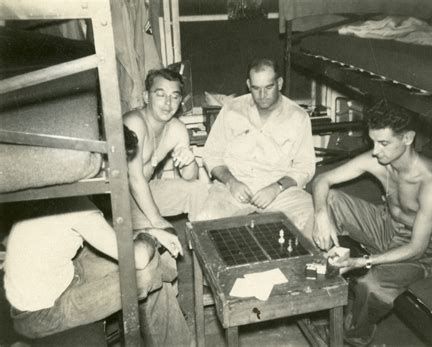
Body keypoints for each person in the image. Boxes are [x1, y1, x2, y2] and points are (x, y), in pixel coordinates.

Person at [311, 100, 432, 345]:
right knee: (331, 199)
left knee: (372, 285)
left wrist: (361, 261)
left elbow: (416, 248)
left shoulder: (431, 180)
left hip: (426, 248)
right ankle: (327, 277)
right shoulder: (379, 161)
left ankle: (353, 335)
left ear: (408, 138)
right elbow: (322, 181)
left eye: (383, 143)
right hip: (388, 226)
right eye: (373, 142)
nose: (374, 151)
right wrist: (321, 215)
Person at [3, 197, 192, 346]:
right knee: (146, 271)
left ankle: (174, 340)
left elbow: (108, 235)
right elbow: (139, 258)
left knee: (151, 258)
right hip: (41, 315)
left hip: (64, 275)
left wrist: (151, 232)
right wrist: (151, 237)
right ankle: (175, 341)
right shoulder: (79, 208)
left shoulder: (62, 194)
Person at [198, 58, 316, 238]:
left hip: (279, 192)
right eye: (255, 88)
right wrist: (231, 182)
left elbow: (305, 167)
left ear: (280, 83)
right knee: (202, 222)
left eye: (268, 87)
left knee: (314, 220)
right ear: (248, 85)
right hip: (232, 189)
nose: (262, 95)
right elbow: (212, 155)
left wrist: (276, 187)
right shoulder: (231, 109)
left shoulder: (298, 117)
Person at [123, 68, 209, 257]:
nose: (168, 103)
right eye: (160, 95)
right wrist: (157, 220)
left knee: (199, 190)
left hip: (147, 190)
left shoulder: (177, 129)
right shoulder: (134, 123)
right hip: (120, 202)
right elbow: (134, 178)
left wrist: (189, 159)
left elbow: (189, 177)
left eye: (174, 96)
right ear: (146, 97)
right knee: (163, 234)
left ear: (180, 101)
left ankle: (204, 258)